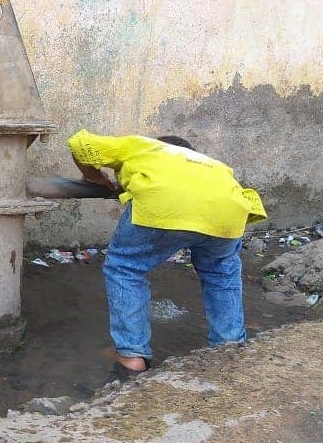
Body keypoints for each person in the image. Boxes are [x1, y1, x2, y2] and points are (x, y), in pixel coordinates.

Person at [67, 131, 267, 381]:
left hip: (164, 203)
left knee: (125, 268)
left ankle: (132, 357)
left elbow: (79, 144)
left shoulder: (143, 146)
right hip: (228, 212)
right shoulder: (214, 165)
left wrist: (95, 177)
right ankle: (229, 347)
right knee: (221, 275)